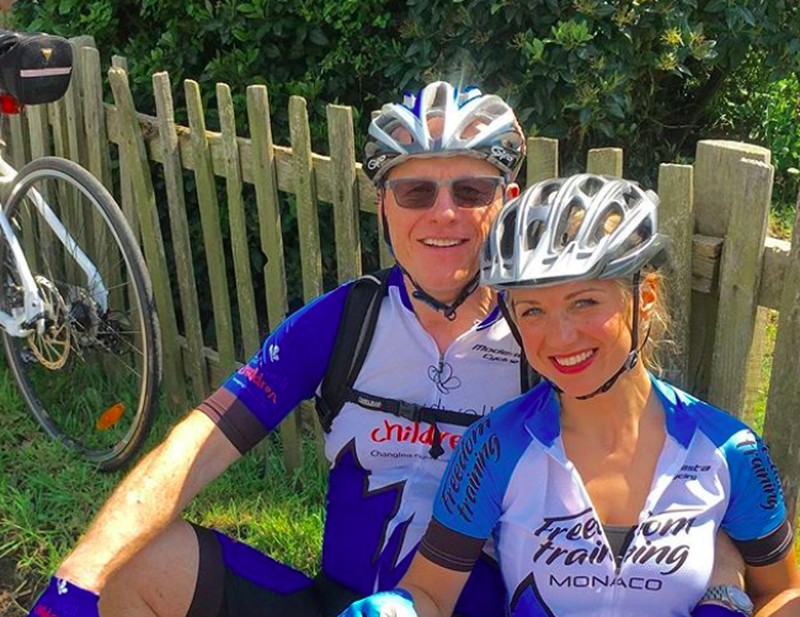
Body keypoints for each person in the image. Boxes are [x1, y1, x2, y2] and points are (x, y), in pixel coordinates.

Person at [27, 80, 528, 617]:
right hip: (338, 606)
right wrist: (77, 581)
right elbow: (197, 445)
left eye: (471, 191)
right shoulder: (347, 321)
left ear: (507, 201)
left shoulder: (540, 339)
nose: (444, 213)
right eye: (416, 192)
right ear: (384, 204)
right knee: (136, 558)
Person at [339, 174, 800, 617]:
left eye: (584, 302)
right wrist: (397, 609)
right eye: (533, 311)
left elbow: (782, 593)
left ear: (644, 297)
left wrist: (728, 601)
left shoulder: (732, 452)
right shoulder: (493, 447)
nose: (560, 337)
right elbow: (431, 595)